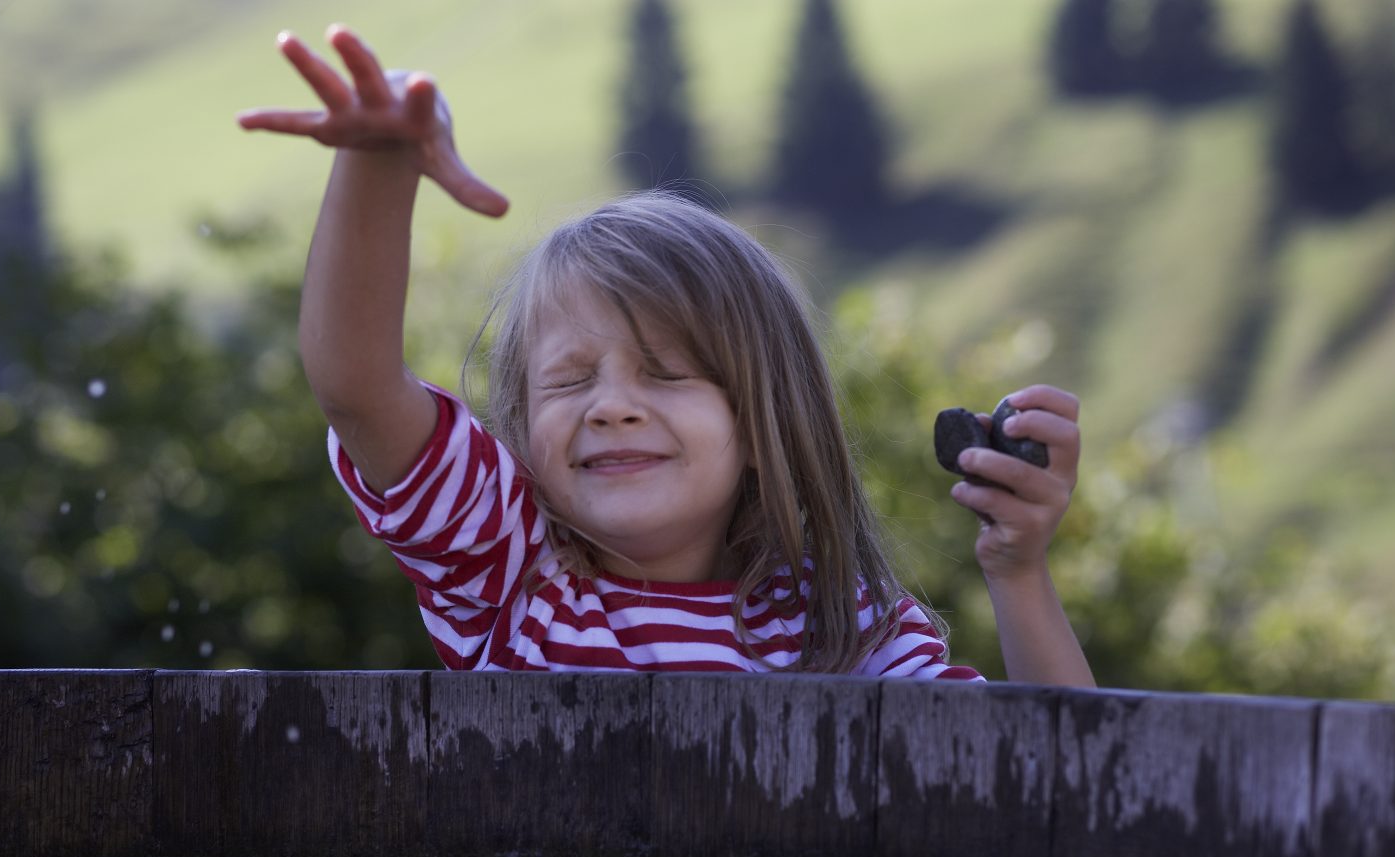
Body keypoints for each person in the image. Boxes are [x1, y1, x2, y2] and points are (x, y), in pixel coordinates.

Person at [238, 25, 1095, 686]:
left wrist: (1017, 570)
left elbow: (1050, 787)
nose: (611, 404)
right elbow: (354, 385)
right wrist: (382, 157)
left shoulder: (842, 625)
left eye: (667, 373)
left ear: (762, 420)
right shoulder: (507, 569)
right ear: (523, 424)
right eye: (570, 379)